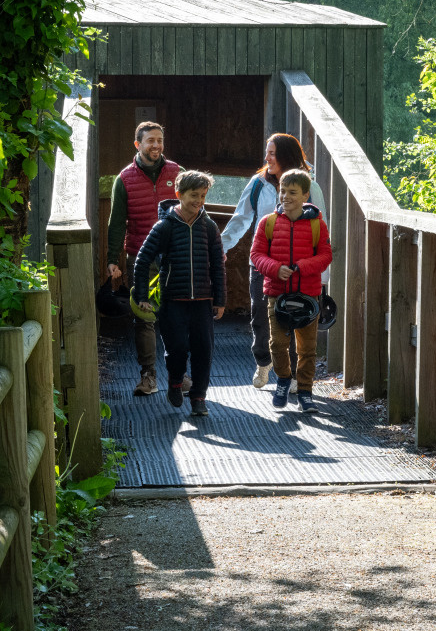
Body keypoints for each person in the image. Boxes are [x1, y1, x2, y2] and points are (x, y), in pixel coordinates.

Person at [221, 133, 327, 391]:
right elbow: (241, 218)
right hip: (263, 265)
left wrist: (322, 277)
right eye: (267, 152)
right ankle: (263, 361)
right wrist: (219, 247)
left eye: (272, 153)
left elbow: (321, 230)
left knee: (294, 316)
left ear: (286, 156)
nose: (266, 158)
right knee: (260, 315)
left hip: (298, 267)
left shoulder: (310, 187)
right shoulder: (258, 184)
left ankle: (288, 374)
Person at [130, 170, 226, 416]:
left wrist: (221, 299)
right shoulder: (165, 226)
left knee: (204, 350)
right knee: (177, 349)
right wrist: (142, 295)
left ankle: (198, 398)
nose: (199, 201)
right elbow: (142, 260)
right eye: (194, 195)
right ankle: (175, 381)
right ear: (179, 194)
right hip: (173, 300)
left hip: (203, 301)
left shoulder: (210, 227)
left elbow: (217, 266)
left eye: (203, 196)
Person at [105, 121, 185, 397]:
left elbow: (196, 212)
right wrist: (112, 259)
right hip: (141, 257)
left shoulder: (178, 174)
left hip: (176, 258)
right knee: (144, 316)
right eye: (150, 141)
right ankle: (148, 376)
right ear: (138, 145)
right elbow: (116, 223)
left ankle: (179, 374)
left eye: (160, 140)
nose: (156, 145)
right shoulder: (124, 179)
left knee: (176, 314)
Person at [249, 168, 332, 412]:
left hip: (308, 294)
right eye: (282, 191)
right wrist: (276, 269)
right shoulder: (269, 223)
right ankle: (284, 379)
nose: (285, 196)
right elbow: (256, 254)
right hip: (277, 294)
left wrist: (302, 267)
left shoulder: (318, 225)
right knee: (277, 344)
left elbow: (326, 254)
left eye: (292, 192)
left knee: (307, 349)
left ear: (305, 195)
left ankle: (305, 392)